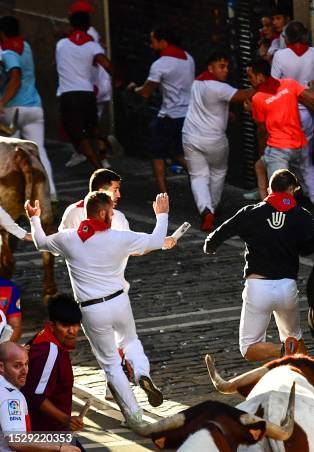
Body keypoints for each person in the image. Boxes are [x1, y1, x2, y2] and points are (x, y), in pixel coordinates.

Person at [26, 191, 170, 420]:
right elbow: (156, 240)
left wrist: (34, 218)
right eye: (111, 212)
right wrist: (162, 215)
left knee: (111, 364)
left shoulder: (68, 238)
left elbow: (40, 243)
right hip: (119, 301)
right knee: (131, 341)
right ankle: (142, 373)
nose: (112, 216)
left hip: (92, 309)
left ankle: (135, 415)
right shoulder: (119, 238)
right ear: (103, 212)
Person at [204, 169, 314, 361]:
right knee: (295, 337)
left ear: (269, 189)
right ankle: (308, 375)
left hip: (258, 288)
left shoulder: (250, 213)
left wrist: (210, 246)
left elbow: (215, 237)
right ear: (292, 190)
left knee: (249, 348)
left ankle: (283, 351)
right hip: (287, 288)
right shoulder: (301, 215)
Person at [182, 51, 254, 232]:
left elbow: (208, 106)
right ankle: (212, 207)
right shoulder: (219, 87)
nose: (226, 70)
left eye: (227, 66)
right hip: (214, 139)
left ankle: (205, 209)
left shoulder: (197, 83)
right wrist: (264, 85)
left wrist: (225, 113)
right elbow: (241, 95)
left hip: (190, 136)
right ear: (211, 68)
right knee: (218, 173)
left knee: (198, 176)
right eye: (222, 66)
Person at [128, 26, 194, 194]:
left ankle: (163, 193)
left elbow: (145, 92)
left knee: (157, 154)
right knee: (179, 153)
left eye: (153, 41)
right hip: (187, 114)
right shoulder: (188, 58)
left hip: (169, 115)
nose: (151, 45)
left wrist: (134, 88)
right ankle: (200, 179)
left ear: (163, 42)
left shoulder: (160, 64)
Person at [0, 16, 57, 203]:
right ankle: (52, 195)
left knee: (9, 154)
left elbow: (14, 78)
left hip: (13, 109)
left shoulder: (7, 52)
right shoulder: (26, 47)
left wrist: (2, 102)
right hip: (34, 107)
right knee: (39, 150)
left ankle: (12, 198)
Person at [271, 20, 314, 206]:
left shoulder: (280, 56)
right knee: (305, 159)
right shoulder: (313, 53)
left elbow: (273, 85)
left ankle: (286, 200)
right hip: (308, 114)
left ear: (286, 38)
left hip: (288, 115)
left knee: (284, 158)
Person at [55, 11, 114, 170]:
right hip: (87, 94)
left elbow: (70, 40)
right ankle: (104, 141)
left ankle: (98, 168)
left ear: (71, 25)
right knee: (92, 128)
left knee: (79, 136)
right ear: (88, 26)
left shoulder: (61, 44)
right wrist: (119, 80)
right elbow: (108, 66)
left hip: (69, 95)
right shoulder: (93, 45)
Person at [247, 58, 314, 184]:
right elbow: (312, 97)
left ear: (260, 77)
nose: (249, 81)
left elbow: (262, 129)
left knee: (280, 192)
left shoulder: (257, 98)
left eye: (250, 77)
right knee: (261, 167)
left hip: (279, 149)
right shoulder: (289, 84)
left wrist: (252, 110)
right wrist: (313, 87)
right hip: (298, 146)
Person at [0, 342, 80, 451]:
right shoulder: (12, 398)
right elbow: (16, 441)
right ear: (1, 367)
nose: (25, 371)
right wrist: (60, 448)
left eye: (26, 364)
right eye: (17, 366)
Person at [21, 294, 84, 433]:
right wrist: (66, 420)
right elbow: (36, 396)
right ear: (52, 325)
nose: (72, 331)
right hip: (46, 434)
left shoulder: (44, 340)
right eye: (65, 325)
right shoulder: (49, 352)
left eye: (75, 324)